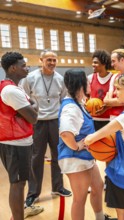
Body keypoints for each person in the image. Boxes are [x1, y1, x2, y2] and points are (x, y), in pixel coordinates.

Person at [85, 72, 124, 220]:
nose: (115, 92)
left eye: (118, 89)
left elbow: (93, 137)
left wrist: (87, 141)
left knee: (122, 212)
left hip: (120, 173)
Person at [58, 69, 112, 220]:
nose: (90, 84)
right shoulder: (71, 108)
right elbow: (65, 133)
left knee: (98, 186)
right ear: (80, 84)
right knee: (79, 198)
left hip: (84, 157)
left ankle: (100, 217)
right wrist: (77, 146)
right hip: (74, 158)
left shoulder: (79, 103)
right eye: (87, 82)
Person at [20, 49, 71, 207]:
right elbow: (24, 98)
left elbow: (64, 100)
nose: (52, 63)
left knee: (58, 156)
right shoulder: (30, 78)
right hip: (38, 123)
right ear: (41, 60)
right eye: (48, 60)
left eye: (54, 60)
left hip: (55, 121)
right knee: (36, 158)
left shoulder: (60, 79)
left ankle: (58, 187)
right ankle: (33, 193)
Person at [0, 52, 43, 219]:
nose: (27, 68)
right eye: (23, 65)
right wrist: (33, 107)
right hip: (15, 144)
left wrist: (33, 106)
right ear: (13, 68)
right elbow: (33, 117)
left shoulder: (13, 87)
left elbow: (33, 107)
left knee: (20, 182)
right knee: (17, 184)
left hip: (19, 142)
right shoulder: (11, 90)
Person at [103, 48, 124, 121]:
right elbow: (106, 99)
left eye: (113, 61)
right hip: (112, 117)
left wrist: (111, 102)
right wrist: (115, 101)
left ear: (122, 60)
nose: (112, 64)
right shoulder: (114, 77)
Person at [88, 49, 112, 130]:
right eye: (93, 62)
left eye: (96, 62)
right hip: (93, 119)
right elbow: (86, 97)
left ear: (104, 63)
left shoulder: (114, 78)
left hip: (108, 119)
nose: (93, 65)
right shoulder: (90, 77)